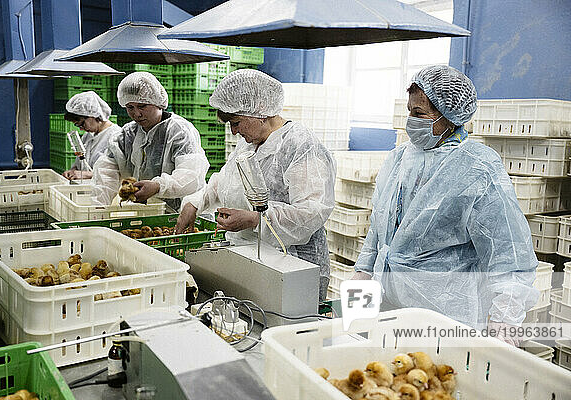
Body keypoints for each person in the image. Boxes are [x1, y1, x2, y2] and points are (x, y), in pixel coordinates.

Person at [351, 65, 538, 345]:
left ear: (449, 117)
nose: (410, 121)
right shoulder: (399, 159)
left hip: (444, 314)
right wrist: (361, 281)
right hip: (388, 305)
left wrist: (503, 321)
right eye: (410, 111)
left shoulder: (477, 167)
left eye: (420, 114)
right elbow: (379, 230)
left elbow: (508, 253)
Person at [175, 69, 336, 301]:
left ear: (260, 109)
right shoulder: (249, 143)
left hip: (292, 266)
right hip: (253, 260)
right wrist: (196, 203)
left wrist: (255, 219)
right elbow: (225, 181)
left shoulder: (301, 146)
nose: (233, 131)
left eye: (236, 122)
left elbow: (312, 212)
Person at [92, 72, 209, 210]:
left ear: (158, 102)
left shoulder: (179, 131)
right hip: (148, 212)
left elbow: (191, 175)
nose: (136, 114)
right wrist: (98, 209)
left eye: (142, 106)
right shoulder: (127, 134)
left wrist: (158, 186)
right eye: (130, 107)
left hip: (183, 212)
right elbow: (106, 171)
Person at [62, 91, 121, 180]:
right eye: (77, 125)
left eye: (82, 124)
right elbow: (81, 163)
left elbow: (121, 173)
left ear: (93, 114)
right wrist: (73, 171)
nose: (81, 129)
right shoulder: (87, 136)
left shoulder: (116, 136)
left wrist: (88, 174)